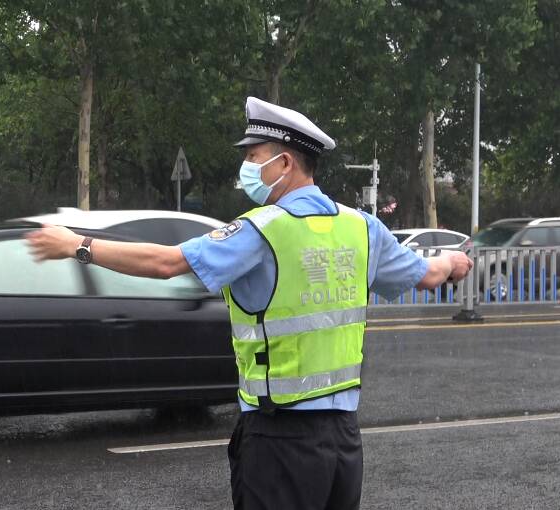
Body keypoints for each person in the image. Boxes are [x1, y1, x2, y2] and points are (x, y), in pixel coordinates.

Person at [25, 97, 473, 510]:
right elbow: (428, 274)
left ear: (285, 161)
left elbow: (165, 263)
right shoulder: (361, 227)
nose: (245, 166)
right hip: (342, 442)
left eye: (253, 155)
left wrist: (76, 245)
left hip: (280, 439)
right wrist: (453, 261)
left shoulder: (262, 229)